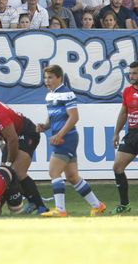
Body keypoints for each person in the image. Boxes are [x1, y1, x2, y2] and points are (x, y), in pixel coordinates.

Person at [37, 65, 106, 217]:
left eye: (50, 77)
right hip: (65, 137)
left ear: (59, 78)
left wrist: (60, 135)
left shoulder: (67, 93)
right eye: (45, 77)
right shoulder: (50, 95)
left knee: (54, 172)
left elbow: (74, 117)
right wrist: (45, 126)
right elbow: (54, 116)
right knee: (72, 176)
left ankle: (60, 210)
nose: (47, 80)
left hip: (67, 138)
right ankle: (98, 205)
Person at [110, 61, 138, 214]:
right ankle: (124, 204)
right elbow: (123, 113)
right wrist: (116, 133)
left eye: (135, 73)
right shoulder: (127, 91)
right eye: (131, 73)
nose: (131, 76)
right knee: (117, 167)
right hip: (132, 134)